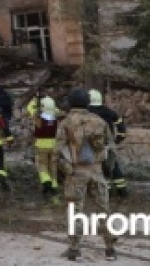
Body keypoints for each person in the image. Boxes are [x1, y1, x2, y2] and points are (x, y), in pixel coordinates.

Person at [58, 89, 116, 262]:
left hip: (76, 171)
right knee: (103, 210)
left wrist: (64, 172)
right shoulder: (99, 121)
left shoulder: (66, 123)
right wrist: (106, 171)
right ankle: (110, 249)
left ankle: (74, 249)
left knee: (75, 211)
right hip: (97, 170)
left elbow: (58, 151)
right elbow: (111, 149)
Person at [88, 89, 129, 197]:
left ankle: (107, 192)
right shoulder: (109, 111)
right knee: (114, 167)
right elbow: (121, 125)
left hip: (94, 146)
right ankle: (122, 191)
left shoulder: (87, 112)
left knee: (100, 168)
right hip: (109, 144)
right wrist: (118, 138)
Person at [33, 96, 61, 196]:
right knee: (53, 165)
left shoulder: (39, 119)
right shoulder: (55, 119)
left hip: (41, 145)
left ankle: (46, 181)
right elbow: (57, 111)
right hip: (53, 144)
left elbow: (32, 111)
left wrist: (36, 103)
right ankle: (54, 185)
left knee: (42, 165)